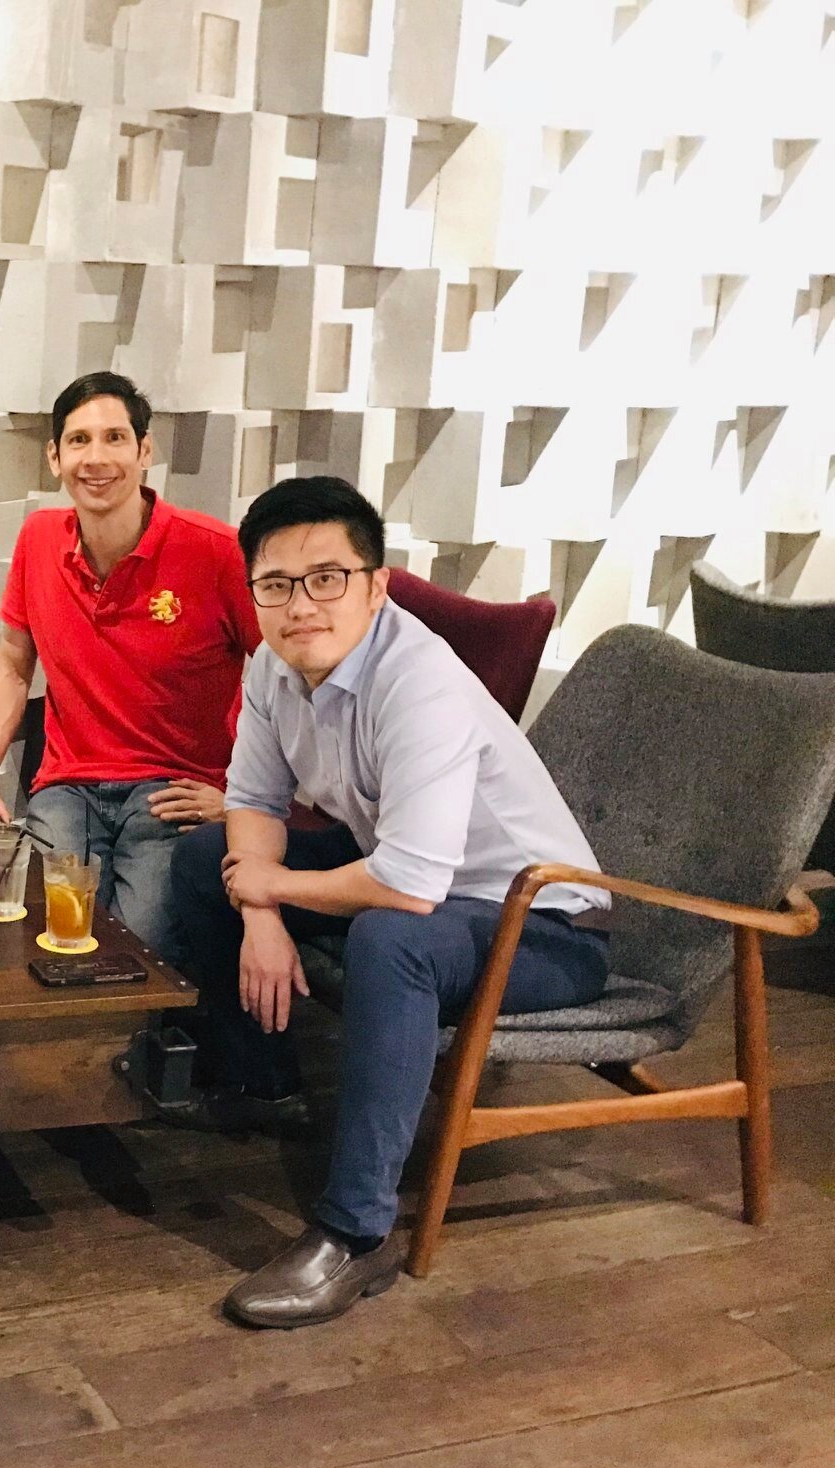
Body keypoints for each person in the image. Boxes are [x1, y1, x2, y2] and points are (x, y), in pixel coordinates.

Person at [168, 476, 612, 1329]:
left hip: (546, 925)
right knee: (202, 858)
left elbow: (409, 887)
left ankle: (357, 1232)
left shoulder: (420, 681)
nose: (302, 605)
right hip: (417, 880)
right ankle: (264, 1084)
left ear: (375, 586)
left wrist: (274, 886)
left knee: (388, 938)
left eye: (327, 578)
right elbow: (252, 803)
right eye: (276, 584)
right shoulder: (273, 668)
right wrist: (259, 913)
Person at [0, 372, 260, 964]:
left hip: (172, 788)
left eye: (115, 438)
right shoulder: (39, 538)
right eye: (79, 440)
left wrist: (244, 798)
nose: (96, 458)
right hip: (68, 786)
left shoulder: (215, 550)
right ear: (55, 458)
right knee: (39, 926)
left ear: (145, 452)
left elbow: (282, 679)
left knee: (137, 950)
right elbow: (14, 662)